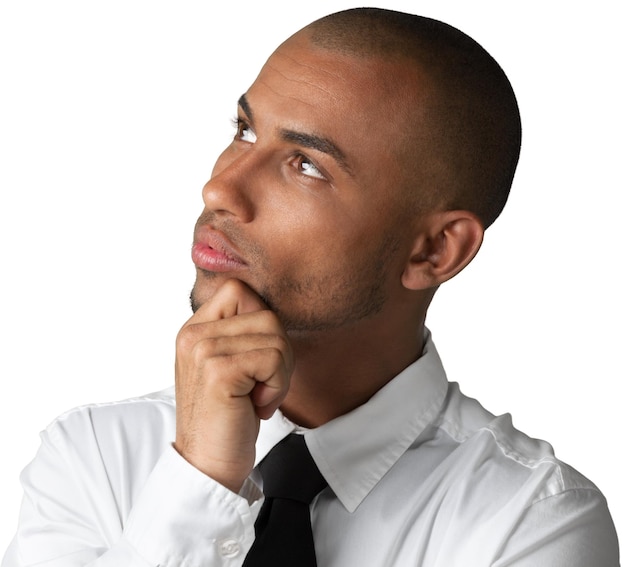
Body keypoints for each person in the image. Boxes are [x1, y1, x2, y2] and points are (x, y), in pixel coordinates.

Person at [2, 7, 619, 567]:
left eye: (305, 165)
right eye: (245, 130)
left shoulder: (530, 521)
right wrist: (200, 481)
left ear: (434, 250)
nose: (220, 190)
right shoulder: (94, 458)